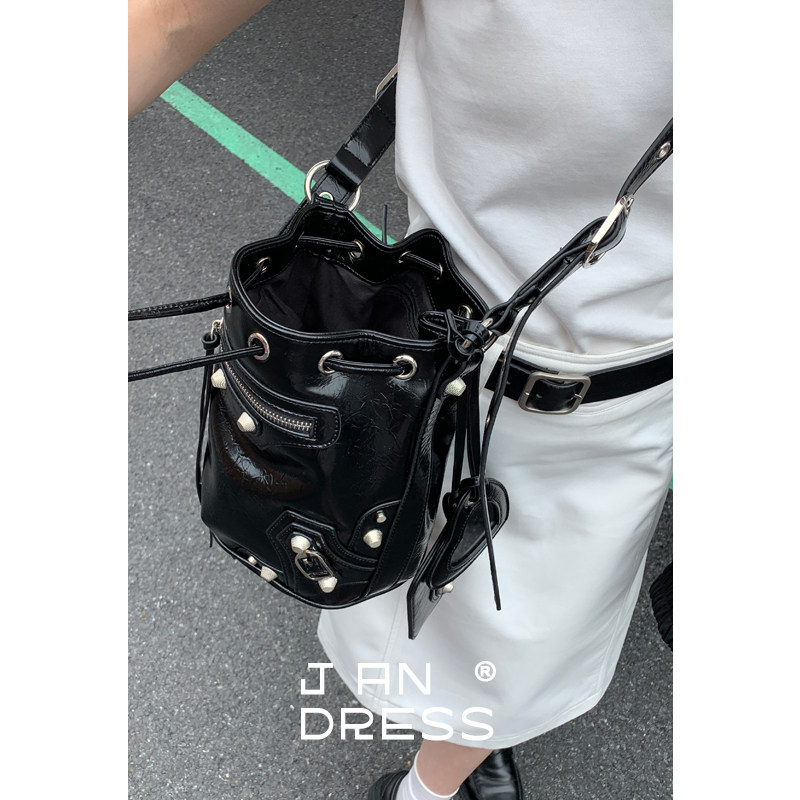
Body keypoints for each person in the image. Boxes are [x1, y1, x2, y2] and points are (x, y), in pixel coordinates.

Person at [129, 2, 673, 799]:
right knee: (420, 604)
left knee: (518, 648)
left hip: (629, 400)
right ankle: (457, 748)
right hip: (407, 354)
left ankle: (440, 774)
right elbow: (166, 19)